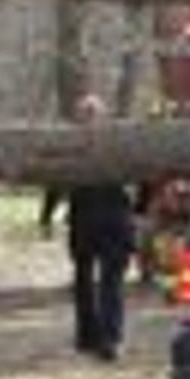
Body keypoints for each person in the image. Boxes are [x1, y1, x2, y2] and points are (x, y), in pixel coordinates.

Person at [39, 93, 143, 360]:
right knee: (85, 281)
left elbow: (146, 168)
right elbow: (56, 181)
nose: (87, 121)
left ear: (101, 118)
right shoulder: (74, 146)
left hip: (112, 222)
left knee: (108, 282)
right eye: (84, 116)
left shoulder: (119, 143)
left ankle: (108, 339)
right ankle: (90, 337)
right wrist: (46, 217)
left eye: (90, 115)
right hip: (88, 221)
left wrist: (141, 209)